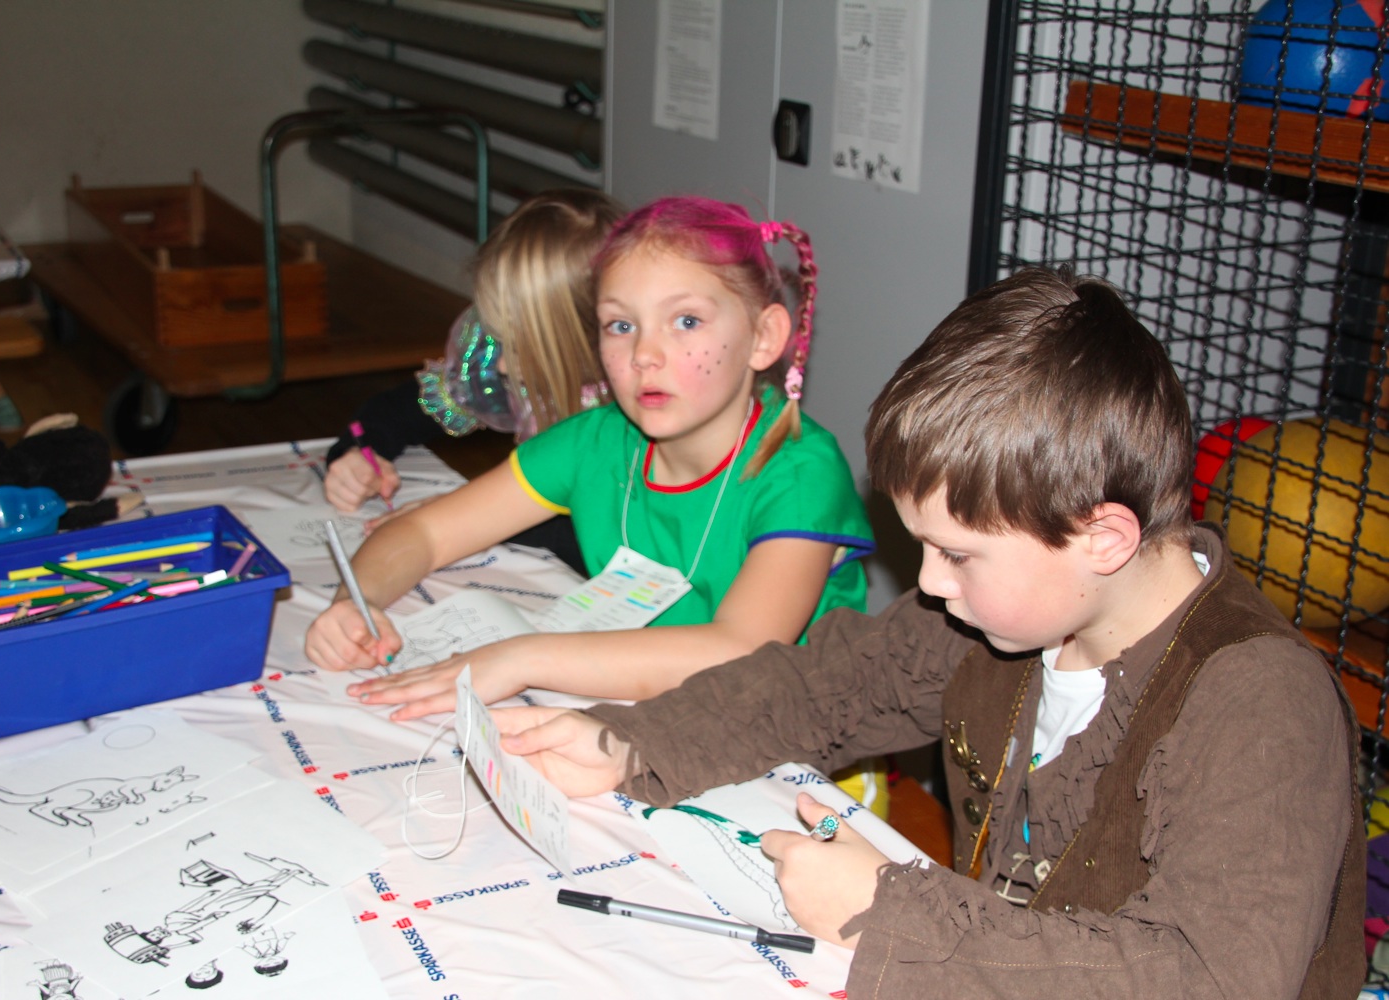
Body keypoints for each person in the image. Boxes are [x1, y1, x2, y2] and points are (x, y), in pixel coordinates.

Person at [492, 266, 1365, 998]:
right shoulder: (1004, 617)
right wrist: (633, 739)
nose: (932, 583)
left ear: (1102, 538)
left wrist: (891, 915)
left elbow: (1208, 977)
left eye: (958, 554)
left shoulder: (1260, 703)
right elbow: (828, 685)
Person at [304, 196, 876, 727]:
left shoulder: (801, 472)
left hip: (796, 743)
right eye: (621, 326)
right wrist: (357, 604)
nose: (644, 355)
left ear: (764, 336)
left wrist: (521, 658)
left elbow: (739, 650)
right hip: (652, 714)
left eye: (686, 321)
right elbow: (425, 532)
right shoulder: (593, 442)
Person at [321, 188, 624, 572]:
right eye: (498, 336)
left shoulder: (634, 419)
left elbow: (606, 542)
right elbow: (395, 412)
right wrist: (358, 453)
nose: (501, 366)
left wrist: (475, 516)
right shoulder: (507, 363)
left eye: (519, 346)